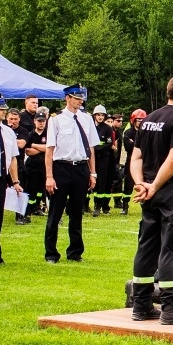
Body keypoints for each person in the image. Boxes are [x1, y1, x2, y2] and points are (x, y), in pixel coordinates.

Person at [130, 75, 173, 325]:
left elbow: (136, 158)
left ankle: (141, 306)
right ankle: (171, 309)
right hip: (171, 189)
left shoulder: (147, 119)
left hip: (148, 190)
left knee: (146, 246)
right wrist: (156, 185)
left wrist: (142, 184)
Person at [44, 84, 98, 263]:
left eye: (81, 97)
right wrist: (50, 176)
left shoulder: (87, 119)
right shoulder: (56, 119)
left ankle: (75, 251)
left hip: (81, 167)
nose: (80, 100)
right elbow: (50, 150)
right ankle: (51, 253)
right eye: (76, 97)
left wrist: (93, 173)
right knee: (56, 211)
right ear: (67, 98)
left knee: (76, 211)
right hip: (62, 167)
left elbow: (90, 148)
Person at [0, 94, 24, 264]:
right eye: (0, 109)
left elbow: (13, 158)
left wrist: (16, 181)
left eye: (5, 109)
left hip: (1, 178)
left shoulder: (8, 131)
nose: (4, 112)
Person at [24, 107, 49, 219]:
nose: (41, 123)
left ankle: (38, 208)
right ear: (34, 121)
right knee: (31, 190)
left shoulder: (49, 134)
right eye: (39, 121)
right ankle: (28, 212)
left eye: (43, 121)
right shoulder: (30, 135)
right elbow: (28, 151)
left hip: (45, 166)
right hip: (32, 167)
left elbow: (50, 149)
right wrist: (42, 148)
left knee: (43, 191)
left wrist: (34, 145)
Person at [121, 109, 146, 215]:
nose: (140, 122)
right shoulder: (128, 133)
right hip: (131, 161)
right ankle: (125, 206)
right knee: (128, 184)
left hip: (145, 161)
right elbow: (129, 147)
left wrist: (135, 143)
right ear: (133, 120)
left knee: (144, 183)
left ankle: (145, 206)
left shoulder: (147, 132)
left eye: (142, 120)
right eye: (138, 120)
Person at [7, 109, 29, 224]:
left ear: (19, 119)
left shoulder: (23, 130)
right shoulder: (3, 129)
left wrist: (7, 139)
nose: (13, 121)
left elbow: (22, 144)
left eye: (15, 119)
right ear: (7, 118)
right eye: (11, 119)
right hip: (3, 163)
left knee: (19, 189)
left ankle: (20, 216)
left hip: (18, 163)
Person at [91, 104, 114, 216]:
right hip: (92, 158)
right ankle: (87, 205)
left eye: (102, 115)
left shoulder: (108, 129)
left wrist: (97, 148)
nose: (100, 117)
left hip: (104, 158)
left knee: (102, 182)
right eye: (98, 115)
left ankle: (100, 206)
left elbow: (109, 143)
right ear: (94, 115)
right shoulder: (91, 127)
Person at [110, 114, 124, 208]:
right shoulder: (110, 131)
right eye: (118, 121)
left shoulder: (118, 132)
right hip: (108, 160)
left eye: (121, 121)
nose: (120, 123)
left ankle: (117, 201)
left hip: (115, 160)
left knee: (118, 179)